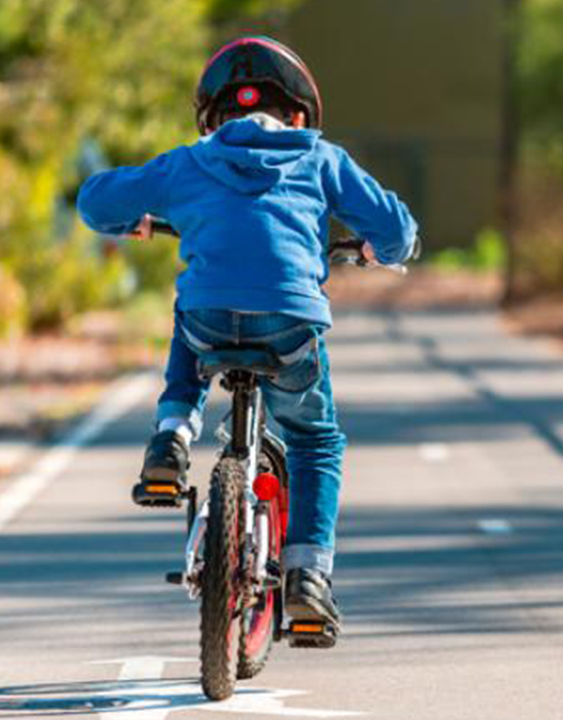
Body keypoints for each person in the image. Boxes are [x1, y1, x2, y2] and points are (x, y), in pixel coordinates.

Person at [76, 36, 418, 638]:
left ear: (214, 118)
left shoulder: (190, 161)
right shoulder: (320, 157)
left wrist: (137, 218)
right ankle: (308, 578)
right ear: (299, 115)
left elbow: (95, 201)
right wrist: (378, 249)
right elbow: (395, 228)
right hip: (290, 326)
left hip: (209, 323)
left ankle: (171, 436)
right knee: (315, 440)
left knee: (193, 307)